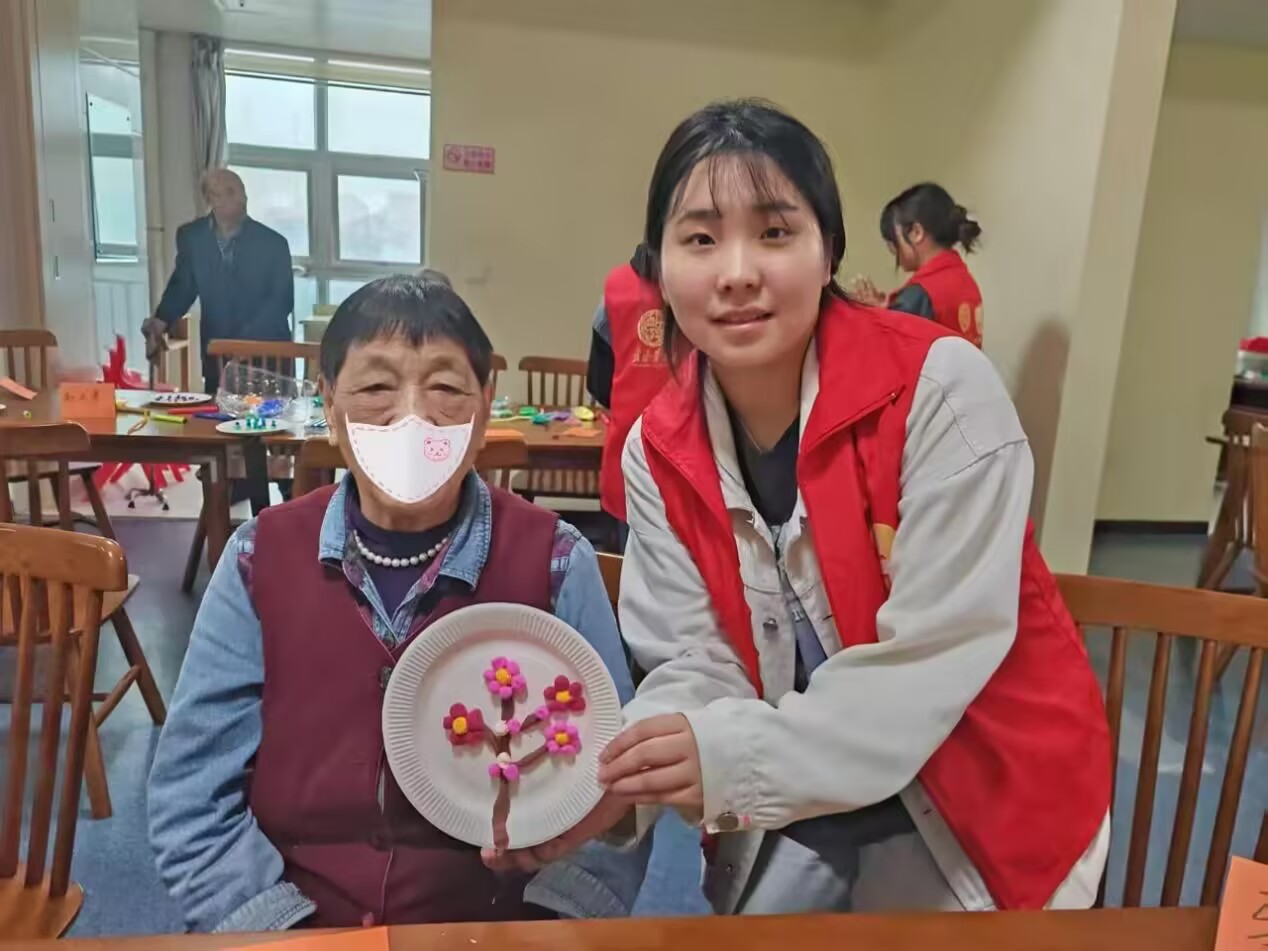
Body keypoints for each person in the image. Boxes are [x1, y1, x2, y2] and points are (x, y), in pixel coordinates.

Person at [543, 100, 1110, 915]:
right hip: (807, 794)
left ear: (829, 249)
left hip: (983, 789)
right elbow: (694, 658)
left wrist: (727, 758)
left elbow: (927, 666)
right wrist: (632, 768)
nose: (737, 272)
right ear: (658, 267)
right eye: (700, 239)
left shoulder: (940, 390)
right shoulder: (656, 450)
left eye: (775, 232)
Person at [147, 274, 701, 930]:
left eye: (444, 388)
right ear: (330, 406)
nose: (412, 418)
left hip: (496, 929)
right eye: (376, 388)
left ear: (485, 406)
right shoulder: (256, 557)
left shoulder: (557, 561)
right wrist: (274, 930)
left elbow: (612, 802)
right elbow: (192, 796)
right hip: (292, 925)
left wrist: (547, 930)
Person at [142, 168, 295, 395]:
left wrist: (245, 342)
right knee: (219, 412)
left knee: (273, 414)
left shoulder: (273, 243)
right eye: (230, 192)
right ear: (210, 199)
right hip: (218, 351)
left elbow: (282, 301)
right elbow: (183, 285)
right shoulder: (193, 237)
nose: (241, 198)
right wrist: (160, 321)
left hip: (267, 352)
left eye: (241, 191)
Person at [586, 245, 672, 526]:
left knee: (630, 547)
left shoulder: (616, 287)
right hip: (694, 461)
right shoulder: (706, 284)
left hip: (628, 451)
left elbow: (599, 383)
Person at [851, 183, 985, 348]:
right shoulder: (965, 280)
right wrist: (888, 310)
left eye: (893, 243)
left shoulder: (920, 295)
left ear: (916, 233)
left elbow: (886, 350)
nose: (894, 252)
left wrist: (868, 316)